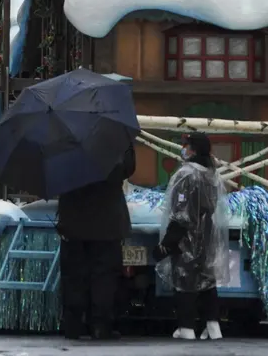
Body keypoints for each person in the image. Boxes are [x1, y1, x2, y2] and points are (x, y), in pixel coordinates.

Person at [56, 143, 136, 340]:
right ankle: (101, 325)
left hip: (73, 220)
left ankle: (73, 325)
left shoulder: (63, 142)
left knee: (74, 275)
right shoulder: (115, 139)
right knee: (104, 276)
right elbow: (128, 168)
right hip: (107, 222)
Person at [154, 132, 228, 341]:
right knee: (206, 279)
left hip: (186, 236)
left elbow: (180, 214)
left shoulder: (186, 174)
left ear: (192, 149)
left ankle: (186, 327)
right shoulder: (211, 174)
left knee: (185, 280)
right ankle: (213, 326)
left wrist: (167, 243)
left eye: (185, 145)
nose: (183, 149)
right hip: (206, 233)